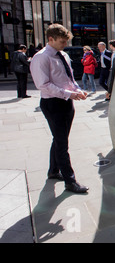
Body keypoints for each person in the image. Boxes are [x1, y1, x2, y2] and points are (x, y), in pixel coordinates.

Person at [30, 24, 89, 194]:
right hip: (53, 104)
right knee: (62, 143)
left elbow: (69, 79)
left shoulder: (63, 55)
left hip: (66, 102)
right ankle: (70, 181)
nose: (65, 45)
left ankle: (53, 171)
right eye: (62, 42)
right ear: (51, 39)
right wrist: (69, 94)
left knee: (59, 139)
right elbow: (43, 85)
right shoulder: (41, 58)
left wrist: (77, 91)